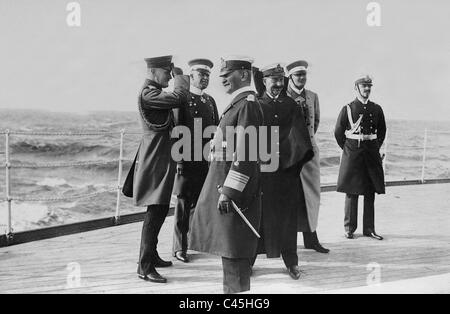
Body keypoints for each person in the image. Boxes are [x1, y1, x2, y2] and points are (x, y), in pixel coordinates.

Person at [189, 56, 263, 294]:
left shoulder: (247, 104)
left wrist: (230, 192)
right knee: (231, 253)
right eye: (220, 75)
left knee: (234, 254)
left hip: (233, 193)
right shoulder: (239, 103)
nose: (221, 79)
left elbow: (247, 154)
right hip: (226, 186)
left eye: (226, 74)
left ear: (243, 75)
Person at [122, 55, 190, 283]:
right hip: (154, 163)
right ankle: (144, 266)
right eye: (167, 72)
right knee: (155, 212)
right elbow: (179, 97)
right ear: (153, 72)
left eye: (171, 74)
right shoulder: (149, 93)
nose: (169, 77)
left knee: (160, 210)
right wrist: (181, 76)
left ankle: (151, 255)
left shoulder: (154, 92)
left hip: (159, 161)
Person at [252, 63, 314, 280]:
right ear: (265, 81)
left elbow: (301, 138)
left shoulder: (292, 106)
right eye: (273, 80)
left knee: (288, 219)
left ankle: (291, 262)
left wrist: (294, 166)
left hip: (287, 173)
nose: (278, 84)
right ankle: (249, 260)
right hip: (263, 172)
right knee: (258, 216)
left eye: (280, 80)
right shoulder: (257, 105)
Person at [172, 58, 219, 263]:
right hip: (186, 159)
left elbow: (216, 130)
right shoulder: (183, 100)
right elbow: (177, 130)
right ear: (191, 76)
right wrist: (180, 162)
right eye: (201, 75)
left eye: (208, 75)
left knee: (200, 202)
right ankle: (178, 247)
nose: (205, 78)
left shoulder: (210, 101)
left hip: (205, 161)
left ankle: (194, 242)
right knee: (183, 202)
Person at [334, 75, 386, 240]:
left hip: (371, 152)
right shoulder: (348, 108)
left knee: (370, 191)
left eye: (369, 86)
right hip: (353, 152)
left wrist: (375, 147)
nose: (367, 89)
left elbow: (382, 131)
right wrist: (348, 149)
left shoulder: (376, 109)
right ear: (356, 88)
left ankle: (369, 229)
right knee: (352, 191)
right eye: (364, 86)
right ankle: (349, 228)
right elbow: (338, 132)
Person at [286, 60, 329, 253]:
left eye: (304, 74)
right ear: (290, 77)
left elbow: (316, 121)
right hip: (289, 155)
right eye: (298, 75)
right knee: (289, 198)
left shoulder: (312, 96)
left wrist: (306, 143)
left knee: (311, 196)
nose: (301, 78)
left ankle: (311, 239)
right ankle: (286, 244)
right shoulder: (283, 95)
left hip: (309, 153)